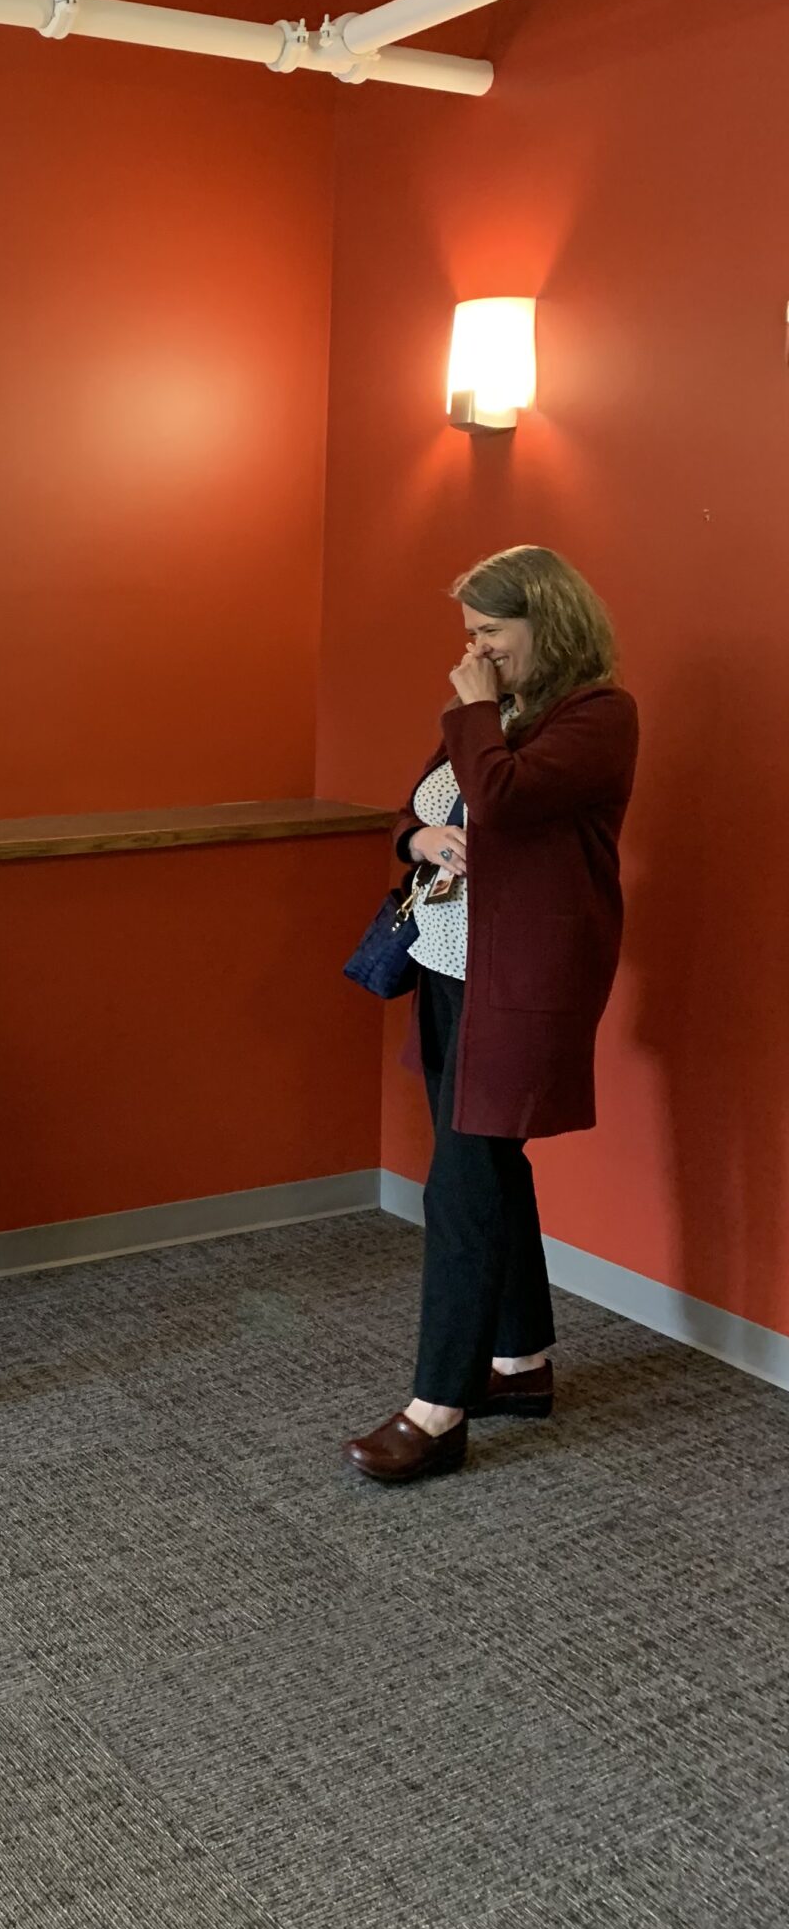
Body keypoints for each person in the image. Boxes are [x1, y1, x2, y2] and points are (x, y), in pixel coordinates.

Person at [345, 545, 638, 1485]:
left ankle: (439, 1409)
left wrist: (470, 711)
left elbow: (503, 800)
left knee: (461, 1187)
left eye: (489, 632)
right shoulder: (496, 711)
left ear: (545, 623)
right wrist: (418, 838)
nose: (472, 650)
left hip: (519, 985)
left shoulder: (598, 716)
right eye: (468, 633)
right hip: (445, 969)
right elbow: (422, 808)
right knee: (487, 1167)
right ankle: (521, 1362)